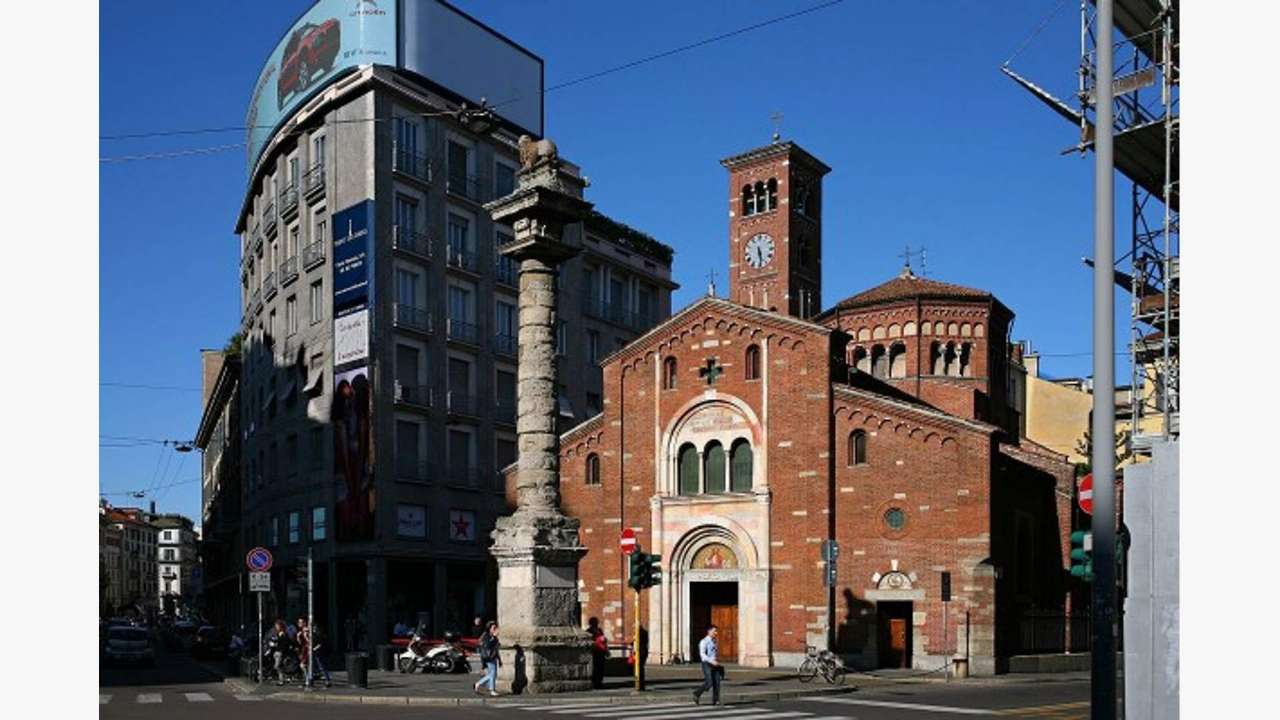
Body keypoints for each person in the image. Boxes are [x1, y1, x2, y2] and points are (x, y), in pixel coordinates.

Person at [297, 618, 331, 688]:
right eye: (299, 622)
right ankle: (308, 680)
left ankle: (327, 680)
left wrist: (313, 648)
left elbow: (315, 641)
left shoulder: (310, 631)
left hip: (314, 650)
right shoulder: (302, 631)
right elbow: (302, 643)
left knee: (320, 665)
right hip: (307, 650)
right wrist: (298, 636)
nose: (299, 624)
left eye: (301, 622)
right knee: (305, 665)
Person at [693, 625, 722, 706]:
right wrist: (711, 661)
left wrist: (716, 661)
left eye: (716, 631)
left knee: (717, 682)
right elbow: (702, 655)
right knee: (709, 682)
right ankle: (696, 693)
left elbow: (714, 652)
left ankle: (715, 700)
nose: (716, 633)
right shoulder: (704, 642)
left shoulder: (714, 641)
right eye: (714, 631)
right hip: (707, 664)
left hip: (714, 663)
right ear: (709, 632)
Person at [473, 621, 501, 696]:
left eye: (496, 628)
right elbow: (487, 647)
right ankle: (490, 689)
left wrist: (499, 659)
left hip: (493, 657)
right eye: (494, 628)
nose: (495, 629)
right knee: (492, 674)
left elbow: (496, 648)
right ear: (489, 628)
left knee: (492, 674)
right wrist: (494, 638)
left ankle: (482, 685)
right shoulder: (486, 636)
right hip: (489, 657)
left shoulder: (492, 637)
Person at [266, 620, 295, 686]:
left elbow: (284, 643)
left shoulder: (284, 634)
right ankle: (282, 680)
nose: (276, 627)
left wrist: (275, 644)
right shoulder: (277, 634)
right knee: (279, 666)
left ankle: (284, 678)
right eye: (276, 626)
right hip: (276, 651)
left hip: (280, 652)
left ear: (281, 626)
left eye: (277, 626)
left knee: (277, 666)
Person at [587, 617, 609, 689]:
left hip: (601, 652)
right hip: (595, 652)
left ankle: (599, 682)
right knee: (595, 668)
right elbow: (590, 642)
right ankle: (595, 683)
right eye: (595, 622)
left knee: (601, 668)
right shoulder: (588, 631)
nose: (596, 624)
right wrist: (598, 640)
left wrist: (606, 650)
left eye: (596, 622)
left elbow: (603, 640)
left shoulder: (599, 630)